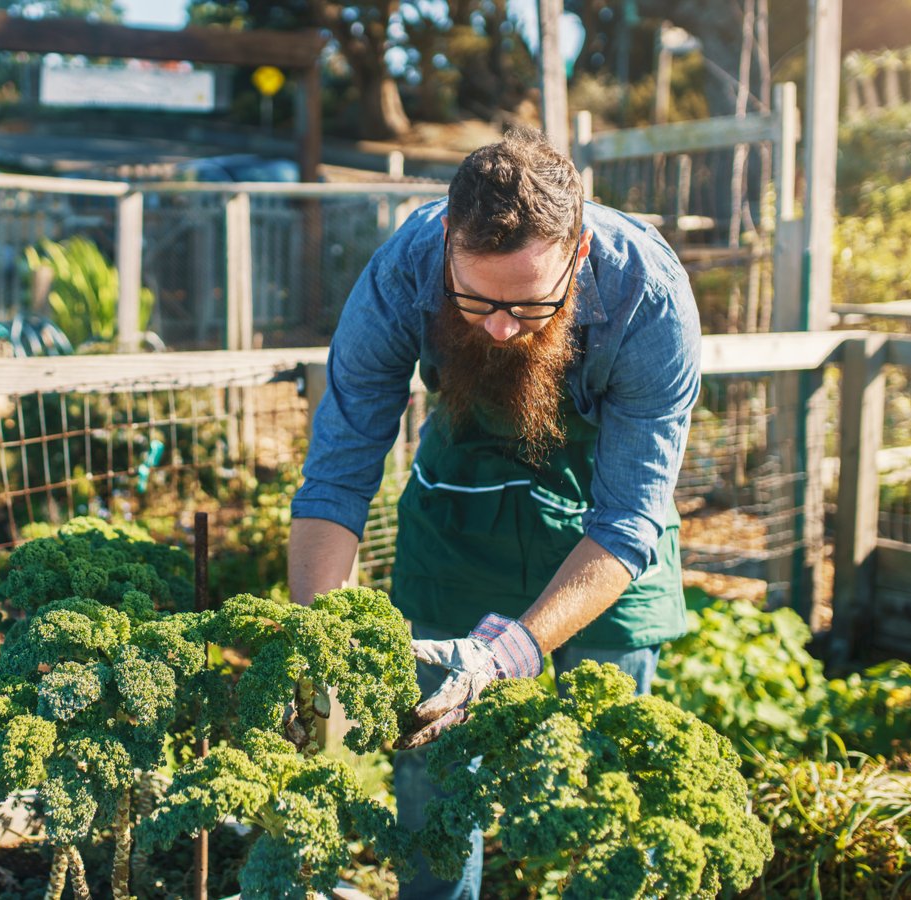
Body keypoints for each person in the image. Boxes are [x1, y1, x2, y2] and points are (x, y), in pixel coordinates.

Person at [287, 126, 701, 899]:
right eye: (476, 299)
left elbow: (625, 522)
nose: (502, 326)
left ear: (577, 256)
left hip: (598, 545)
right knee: (435, 786)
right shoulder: (404, 272)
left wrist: (507, 655)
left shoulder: (648, 298)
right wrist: (320, 643)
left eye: (529, 304)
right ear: (447, 242)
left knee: (604, 792)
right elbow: (336, 478)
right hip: (459, 520)